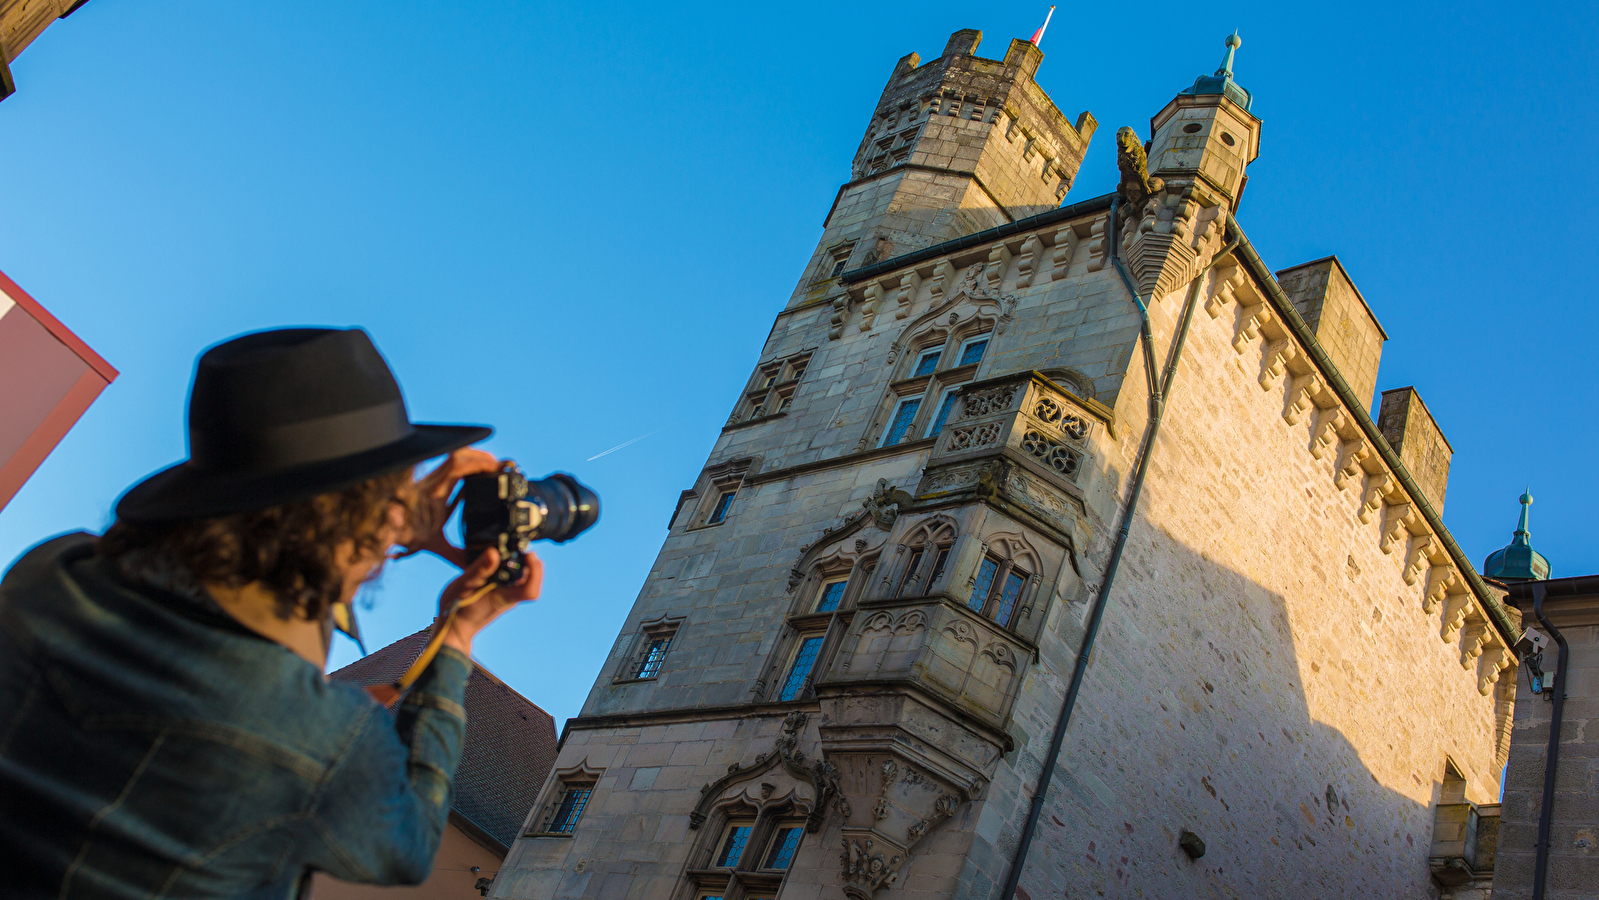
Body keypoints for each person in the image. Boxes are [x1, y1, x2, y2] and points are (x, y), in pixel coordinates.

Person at [0, 328, 542, 899]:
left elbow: (236, 580)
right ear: (351, 525)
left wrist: (369, 524)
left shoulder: (51, 574)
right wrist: (455, 635)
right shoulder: (319, 739)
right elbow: (406, 846)